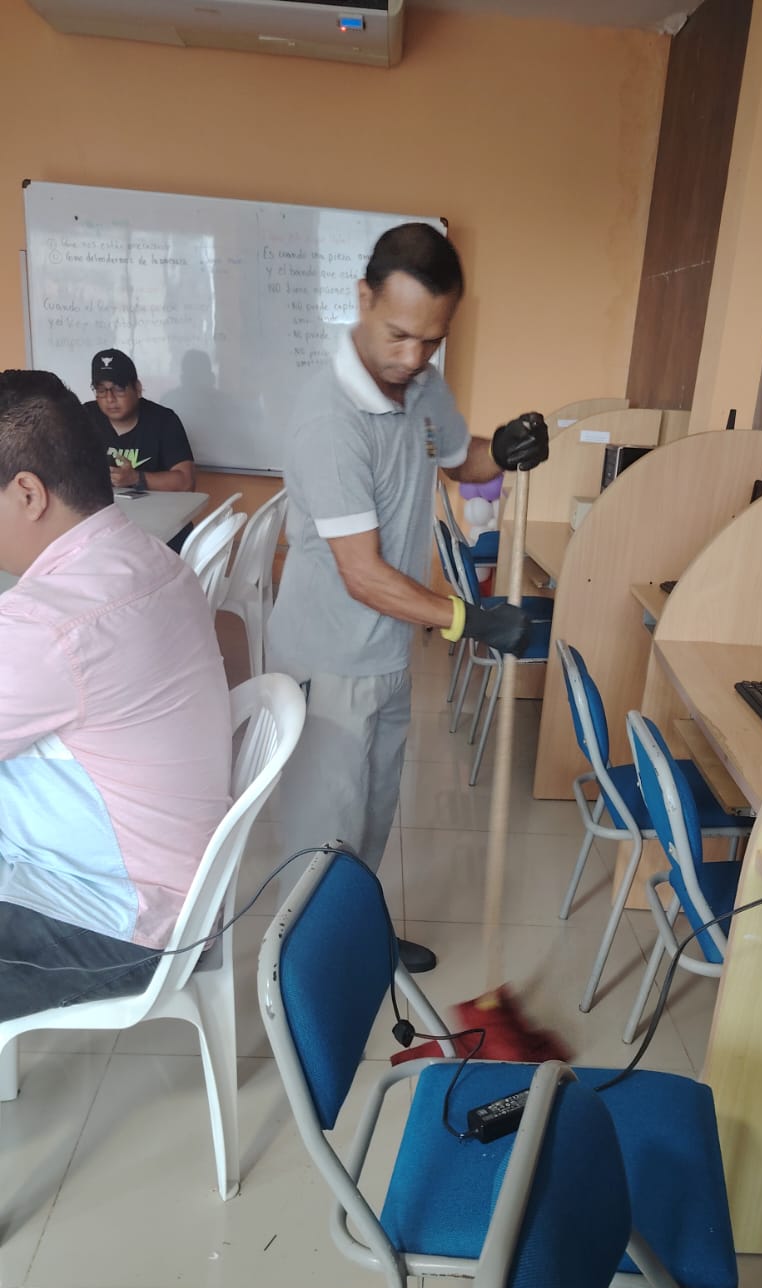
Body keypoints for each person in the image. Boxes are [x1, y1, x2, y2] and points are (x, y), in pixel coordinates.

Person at [266, 223, 549, 972]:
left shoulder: (422, 386)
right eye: (399, 335)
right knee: (321, 837)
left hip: (387, 651)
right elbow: (361, 573)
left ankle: (359, 938)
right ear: (364, 298)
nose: (413, 356)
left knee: (372, 816)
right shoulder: (329, 418)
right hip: (328, 659)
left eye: (431, 340)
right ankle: (309, 979)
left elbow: (460, 460)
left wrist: (504, 449)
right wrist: (468, 619)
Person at [0, 369, 232, 1023]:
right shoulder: (152, 560)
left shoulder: (50, 624)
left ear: (28, 493)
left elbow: (42, 653)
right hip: (170, 891)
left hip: (120, 926)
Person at [83, 348, 197, 551]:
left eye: (118, 388)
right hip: (105, 530)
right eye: (101, 390)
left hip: (163, 533)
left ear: (137, 388)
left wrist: (136, 478)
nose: (110, 398)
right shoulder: (84, 417)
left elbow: (186, 482)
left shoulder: (164, 421)